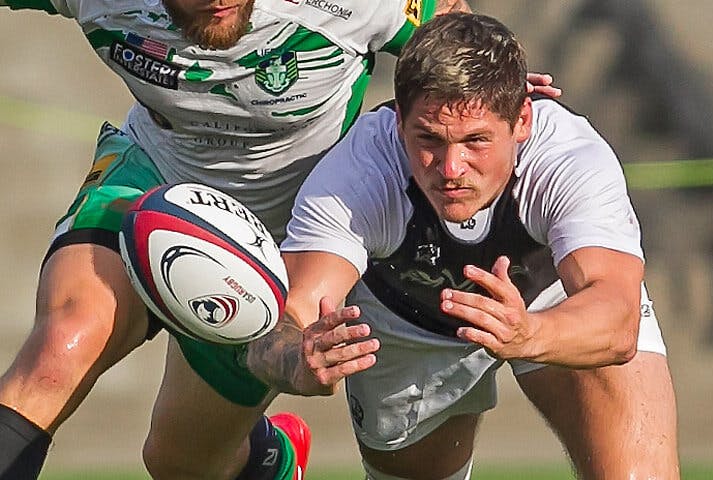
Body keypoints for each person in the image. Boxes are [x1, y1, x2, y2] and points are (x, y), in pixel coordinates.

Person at [0, 0, 561, 479]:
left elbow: (450, 26)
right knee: (59, 348)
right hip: (153, 177)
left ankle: (270, 462)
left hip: (275, 242)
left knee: (178, 463)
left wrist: (490, 90)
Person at [270, 12, 680, 479]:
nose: (450, 168)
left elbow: (617, 316)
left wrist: (530, 334)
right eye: (429, 139)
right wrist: (298, 360)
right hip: (406, 320)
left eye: (476, 140)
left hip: (554, 301)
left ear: (522, 119)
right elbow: (286, 318)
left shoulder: (568, 156)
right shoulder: (358, 174)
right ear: (399, 120)